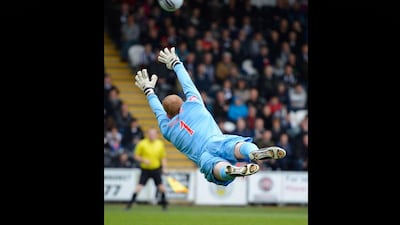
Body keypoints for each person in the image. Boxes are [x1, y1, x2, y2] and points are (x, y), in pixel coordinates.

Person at [133, 47, 286, 187]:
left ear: (168, 115)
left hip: (203, 155)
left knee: (216, 167)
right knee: (237, 146)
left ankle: (230, 170)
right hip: (216, 140)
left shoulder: (167, 129)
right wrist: (176, 63)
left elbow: (157, 111)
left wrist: (149, 90)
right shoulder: (193, 104)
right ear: (182, 103)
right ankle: (253, 152)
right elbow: (187, 83)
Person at [126, 128, 168, 210]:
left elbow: (163, 158)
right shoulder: (142, 143)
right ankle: (130, 204)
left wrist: (165, 168)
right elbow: (136, 156)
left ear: (156, 135)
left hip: (156, 169)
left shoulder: (160, 144)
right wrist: (143, 160)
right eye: (150, 134)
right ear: (148, 134)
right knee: (139, 187)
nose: (152, 136)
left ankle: (164, 206)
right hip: (145, 170)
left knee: (161, 187)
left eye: (153, 134)